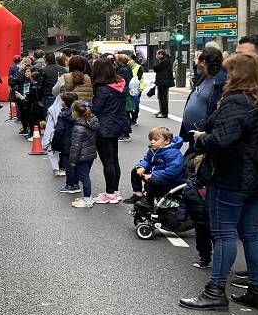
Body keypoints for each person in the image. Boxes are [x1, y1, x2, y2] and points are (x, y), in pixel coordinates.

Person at [180, 53, 258, 311]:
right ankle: (257, 289)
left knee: (224, 233)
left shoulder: (236, 101)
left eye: (229, 71)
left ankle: (215, 290)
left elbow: (222, 140)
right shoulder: (256, 100)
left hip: (231, 176)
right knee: (251, 233)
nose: (224, 76)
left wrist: (201, 138)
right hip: (256, 177)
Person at [90, 57, 127, 204]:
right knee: (114, 160)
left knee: (107, 162)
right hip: (117, 125)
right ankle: (115, 191)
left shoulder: (102, 89)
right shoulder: (120, 84)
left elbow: (96, 109)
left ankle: (110, 193)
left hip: (104, 127)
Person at [125, 126, 185, 205]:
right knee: (135, 171)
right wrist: (142, 166)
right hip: (157, 175)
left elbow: (172, 171)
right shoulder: (154, 149)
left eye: (156, 140)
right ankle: (138, 194)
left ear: (166, 141)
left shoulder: (172, 153)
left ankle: (148, 201)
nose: (152, 142)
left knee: (153, 181)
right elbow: (147, 160)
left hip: (171, 181)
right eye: (151, 140)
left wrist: (152, 175)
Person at [179, 47, 225, 143]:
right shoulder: (203, 77)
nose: (196, 63)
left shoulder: (220, 83)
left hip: (204, 136)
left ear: (203, 62)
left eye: (198, 60)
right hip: (194, 136)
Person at [68, 101, 100, 209]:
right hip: (90, 154)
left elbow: (76, 145)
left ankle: (87, 198)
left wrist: (72, 160)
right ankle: (87, 197)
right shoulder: (91, 122)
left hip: (81, 156)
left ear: (76, 112)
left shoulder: (79, 127)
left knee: (84, 177)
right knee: (86, 175)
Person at [55, 92, 80, 193]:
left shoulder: (63, 115)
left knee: (68, 164)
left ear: (65, 103)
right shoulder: (80, 113)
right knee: (76, 164)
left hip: (66, 142)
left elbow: (59, 130)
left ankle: (70, 184)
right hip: (78, 141)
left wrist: (55, 143)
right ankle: (76, 183)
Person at [151, 50, 175, 117]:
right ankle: (162, 111)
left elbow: (156, 68)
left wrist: (157, 61)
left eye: (157, 54)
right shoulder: (165, 60)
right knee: (161, 97)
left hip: (163, 82)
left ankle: (164, 113)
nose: (157, 56)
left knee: (163, 98)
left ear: (161, 54)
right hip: (162, 82)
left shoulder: (165, 61)